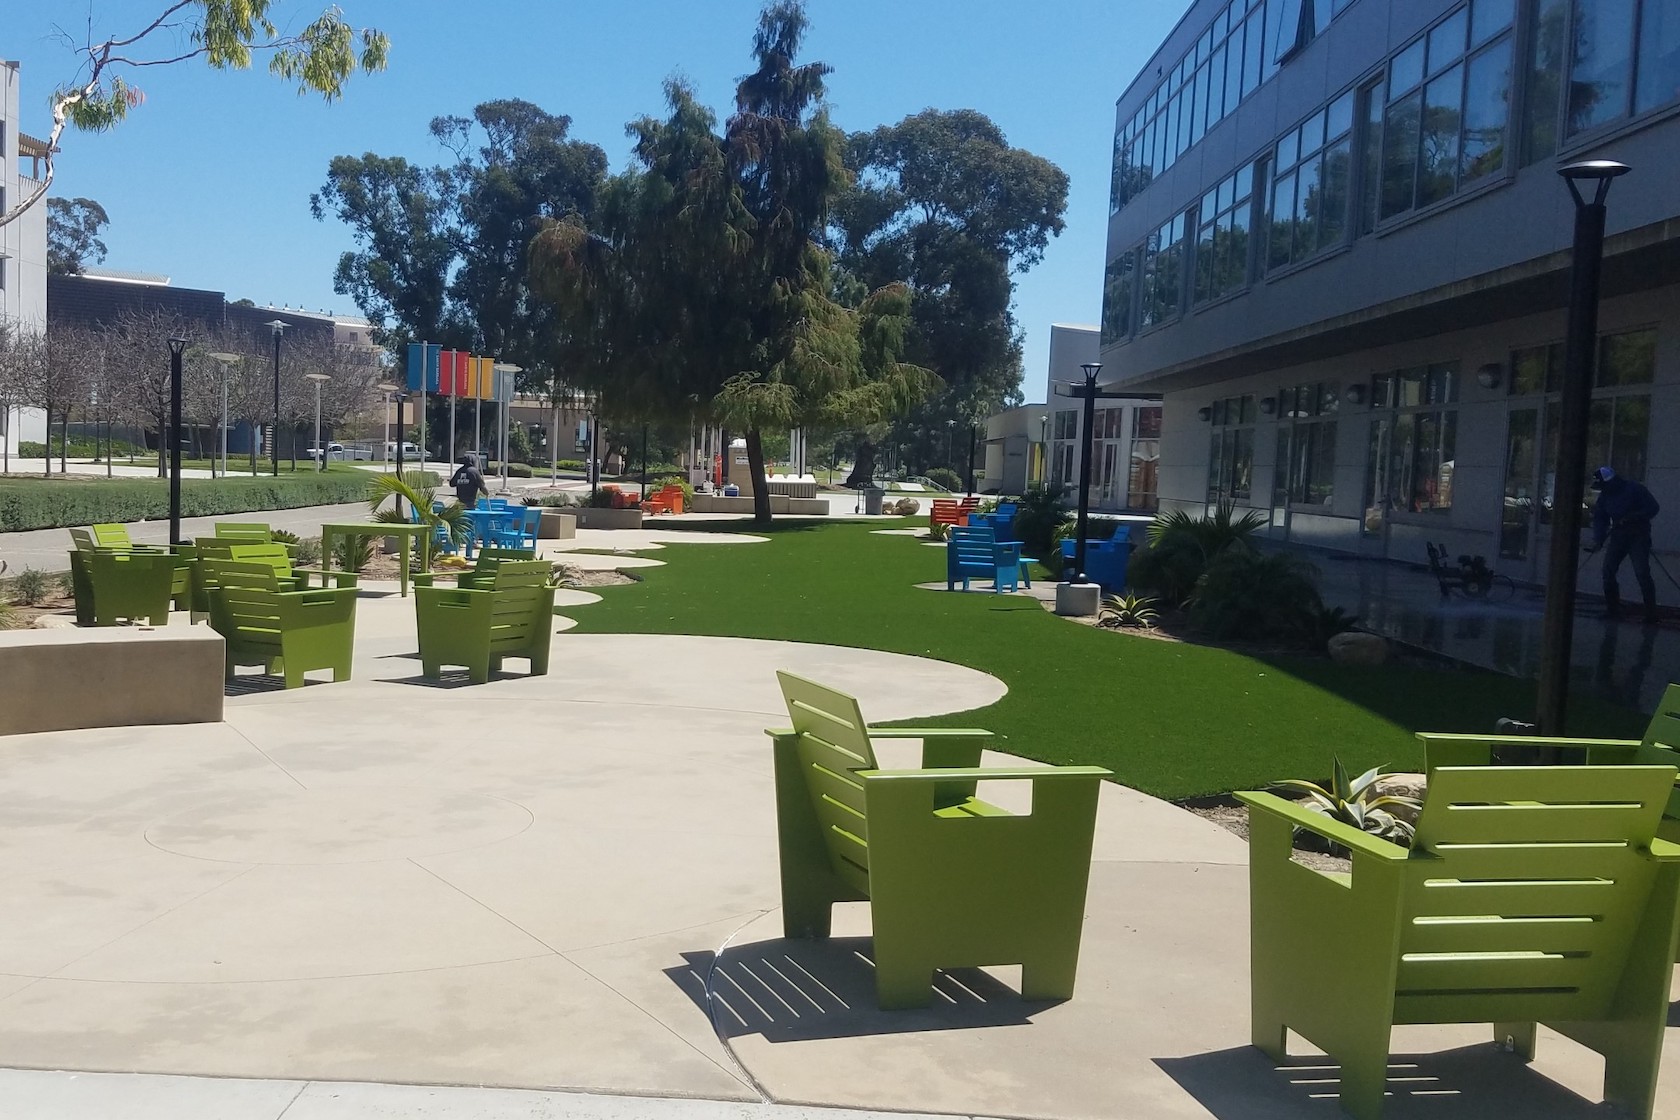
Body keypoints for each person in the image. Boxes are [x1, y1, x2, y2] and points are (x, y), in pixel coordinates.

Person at [1585, 466, 1660, 624]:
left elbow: (1653, 508)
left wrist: (1634, 516)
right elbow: (1600, 518)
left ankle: (1651, 615)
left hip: (1638, 536)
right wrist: (1598, 539)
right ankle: (1612, 610)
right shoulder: (1605, 496)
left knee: (1642, 573)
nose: (1602, 490)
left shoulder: (1635, 489)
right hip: (1618, 536)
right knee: (1608, 571)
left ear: (1611, 482)